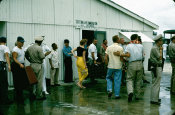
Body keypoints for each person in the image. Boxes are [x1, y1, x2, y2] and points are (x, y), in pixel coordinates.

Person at [114, 34, 144, 102]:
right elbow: (143, 56)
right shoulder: (141, 46)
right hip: (140, 63)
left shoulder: (128, 46)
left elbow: (127, 55)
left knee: (129, 79)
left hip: (132, 64)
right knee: (138, 80)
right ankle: (137, 95)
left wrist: (122, 56)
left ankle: (130, 92)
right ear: (136, 38)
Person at [25, 36, 47, 100]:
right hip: (38, 65)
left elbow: (26, 55)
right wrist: (45, 54)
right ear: (40, 41)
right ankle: (39, 95)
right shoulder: (39, 48)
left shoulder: (29, 48)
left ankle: (32, 94)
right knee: (39, 81)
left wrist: (30, 60)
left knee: (32, 81)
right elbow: (42, 57)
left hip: (32, 64)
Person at [11, 36, 28, 104]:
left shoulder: (22, 48)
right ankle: (18, 97)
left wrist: (23, 63)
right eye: (21, 42)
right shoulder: (15, 49)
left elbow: (23, 56)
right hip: (16, 66)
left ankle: (20, 95)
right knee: (17, 81)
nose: (22, 43)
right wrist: (19, 64)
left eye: (23, 42)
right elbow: (14, 58)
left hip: (21, 65)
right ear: (18, 42)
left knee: (22, 81)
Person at [149, 34, 163, 105]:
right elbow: (159, 57)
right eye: (161, 40)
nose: (162, 42)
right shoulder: (155, 48)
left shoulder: (156, 47)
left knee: (157, 83)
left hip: (157, 66)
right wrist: (161, 50)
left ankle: (155, 98)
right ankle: (154, 100)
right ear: (158, 41)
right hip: (156, 67)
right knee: (156, 83)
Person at [0, 36, 11, 104]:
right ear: (5, 41)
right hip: (1, 65)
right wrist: (9, 65)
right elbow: (6, 56)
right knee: (4, 83)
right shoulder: (5, 47)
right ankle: (5, 100)